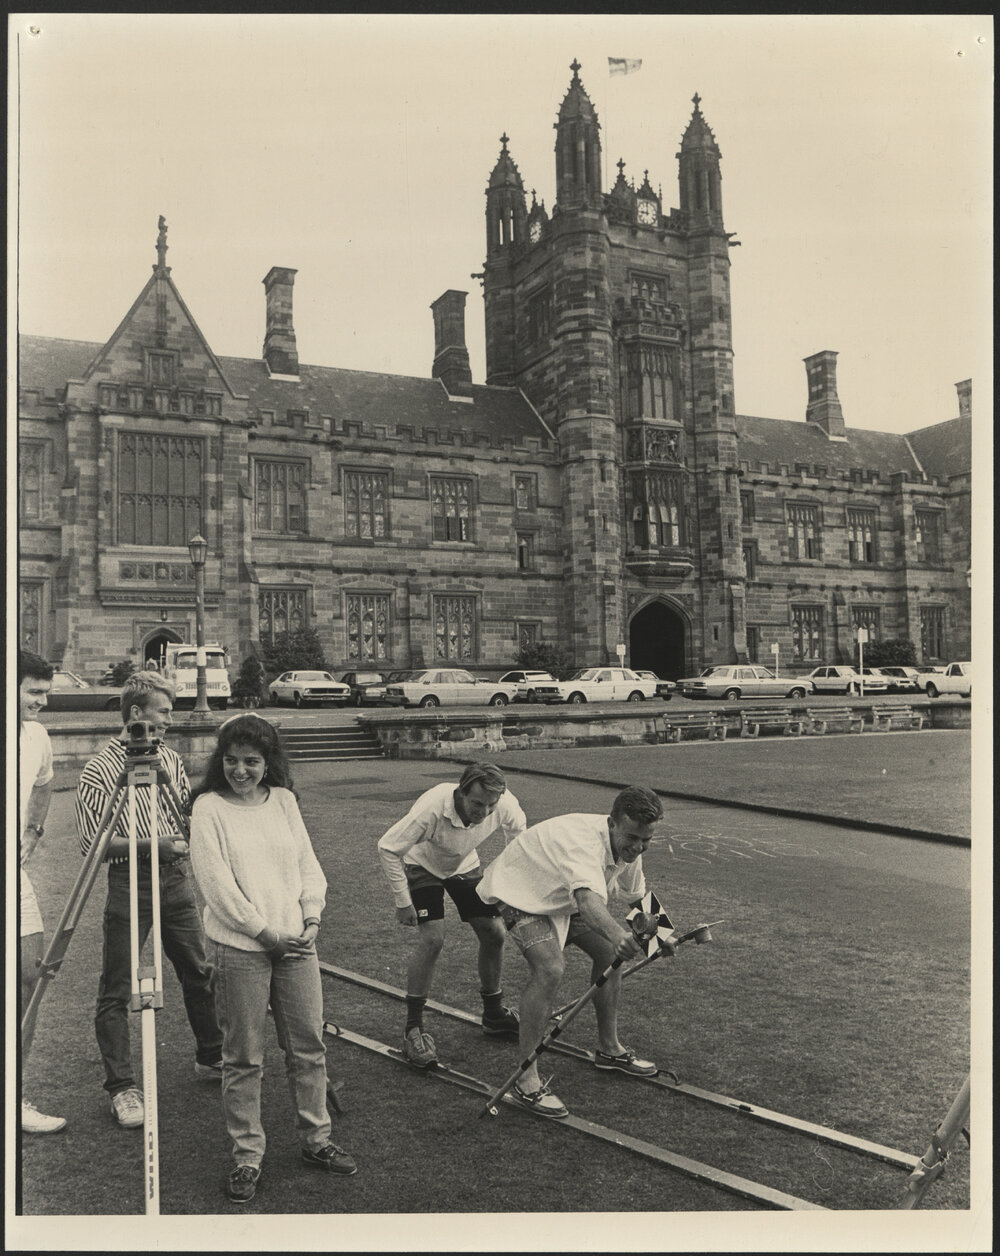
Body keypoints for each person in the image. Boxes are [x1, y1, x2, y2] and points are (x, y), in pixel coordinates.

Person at [189, 714, 355, 1204]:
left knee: (307, 1046)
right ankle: (247, 1157)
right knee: (243, 1056)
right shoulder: (207, 808)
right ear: (221, 761)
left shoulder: (283, 801)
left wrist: (311, 920)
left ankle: (317, 1140)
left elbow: (307, 864)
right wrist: (266, 934)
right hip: (242, 948)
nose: (241, 771)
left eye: (252, 762)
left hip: (298, 945)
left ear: (269, 763)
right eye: (233, 761)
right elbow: (216, 886)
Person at [75, 672, 223, 1131]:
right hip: (128, 881)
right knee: (116, 986)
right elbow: (92, 845)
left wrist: (176, 842)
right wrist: (152, 845)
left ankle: (211, 1057)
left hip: (175, 880)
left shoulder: (172, 760)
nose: (169, 720)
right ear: (136, 714)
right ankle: (122, 1088)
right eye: (162, 711)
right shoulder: (99, 768)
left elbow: (179, 813)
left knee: (198, 971)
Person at [478, 784, 664, 1118]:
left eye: (646, 840)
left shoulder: (629, 847)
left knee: (610, 953)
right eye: (632, 838)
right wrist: (620, 934)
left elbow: (638, 897)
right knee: (551, 969)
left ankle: (609, 1049)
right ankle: (526, 1078)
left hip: (559, 895)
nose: (637, 848)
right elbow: (588, 902)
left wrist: (661, 938)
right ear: (611, 823)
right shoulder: (583, 844)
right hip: (520, 890)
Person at [377, 762, 526, 1068]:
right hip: (422, 866)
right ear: (461, 792)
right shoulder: (431, 808)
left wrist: (512, 886)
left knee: (494, 931)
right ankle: (413, 1029)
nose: (484, 812)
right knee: (433, 939)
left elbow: (521, 840)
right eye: (477, 804)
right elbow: (388, 848)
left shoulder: (505, 803)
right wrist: (403, 901)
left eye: (490, 805)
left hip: (463, 866)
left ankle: (494, 1014)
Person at [17, 650, 66, 1134]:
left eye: (45, 692)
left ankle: (14, 1097)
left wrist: (34, 829)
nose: (43, 701)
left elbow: (46, 784)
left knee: (28, 981)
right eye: (34, 691)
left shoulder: (37, 736)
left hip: (15, 879)